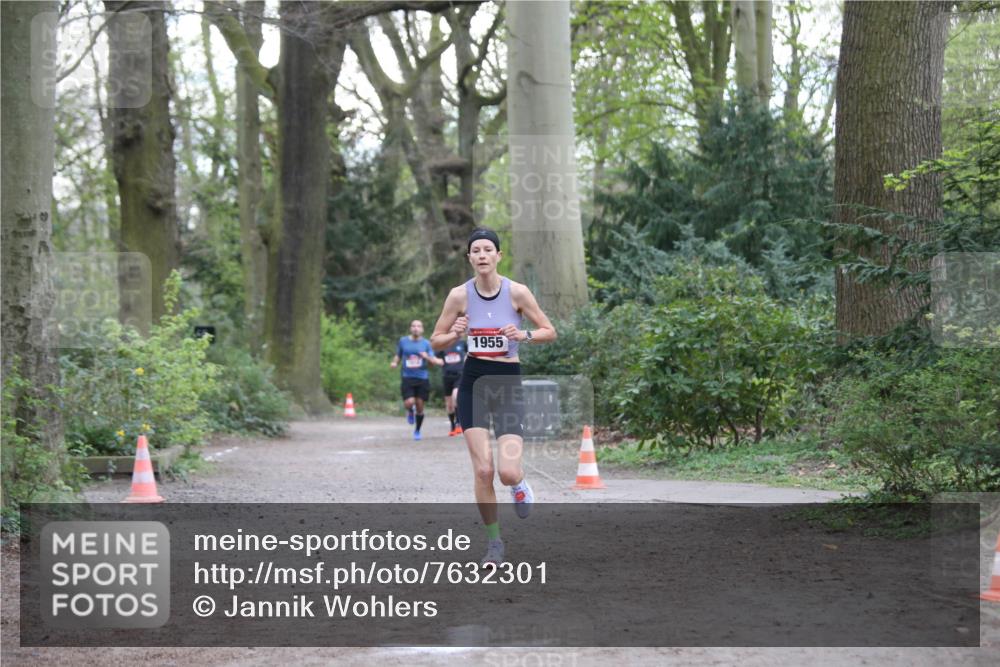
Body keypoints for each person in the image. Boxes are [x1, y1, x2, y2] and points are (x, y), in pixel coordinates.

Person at [430, 228, 556, 566]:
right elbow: (435, 341)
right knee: (483, 470)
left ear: (498, 256)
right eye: (476, 250)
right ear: (469, 258)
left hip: (507, 384)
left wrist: (524, 334)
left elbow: (550, 331)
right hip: (473, 382)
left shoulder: (518, 292)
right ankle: (494, 544)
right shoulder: (459, 296)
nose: (482, 255)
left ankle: (519, 486)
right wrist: (453, 334)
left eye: (488, 249)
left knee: (508, 473)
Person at [390, 320, 443, 441]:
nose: (416, 328)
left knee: (420, 406)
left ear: (422, 329)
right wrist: (394, 363)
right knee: (409, 402)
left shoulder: (426, 343)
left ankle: (417, 430)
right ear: (410, 328)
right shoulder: (403, 341)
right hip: (407, 377)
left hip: (422, 378)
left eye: (418, 326)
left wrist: (427, 357)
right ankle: (410, 410)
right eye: (413, 326)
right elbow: (398, 355)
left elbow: (433, 362)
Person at [436, 338, 467, 436]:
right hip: (447, 376)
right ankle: (452, 426)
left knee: (456, 396)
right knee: (449, 405)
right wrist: (438, 361)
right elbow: (436, 357)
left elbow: (470, 353)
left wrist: (466, 360)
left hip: (460, 374)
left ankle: (458, 423)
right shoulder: (443, 344)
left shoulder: (462, 343)